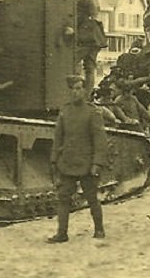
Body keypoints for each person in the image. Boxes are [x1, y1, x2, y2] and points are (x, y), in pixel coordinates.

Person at [47, 75, 109, 242]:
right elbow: (58, 138)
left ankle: (99, 229)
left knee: (91, 198)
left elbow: (100, 140)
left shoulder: (92, 112)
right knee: (63, 198)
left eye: (80, 88)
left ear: (84, 90)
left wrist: (97, 163)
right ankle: (62, 233)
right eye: (73, 89)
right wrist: (54, 160)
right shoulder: (65, 111)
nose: (77, 92)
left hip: (86, 164)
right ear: (69, 91)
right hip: (67, 163)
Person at [70, 0, 108, 92]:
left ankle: (75, 88)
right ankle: (87, 94)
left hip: (86, 37)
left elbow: (78, 18)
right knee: (90, 68)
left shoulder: (80, 0)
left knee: (72, 61)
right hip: (95, 38)